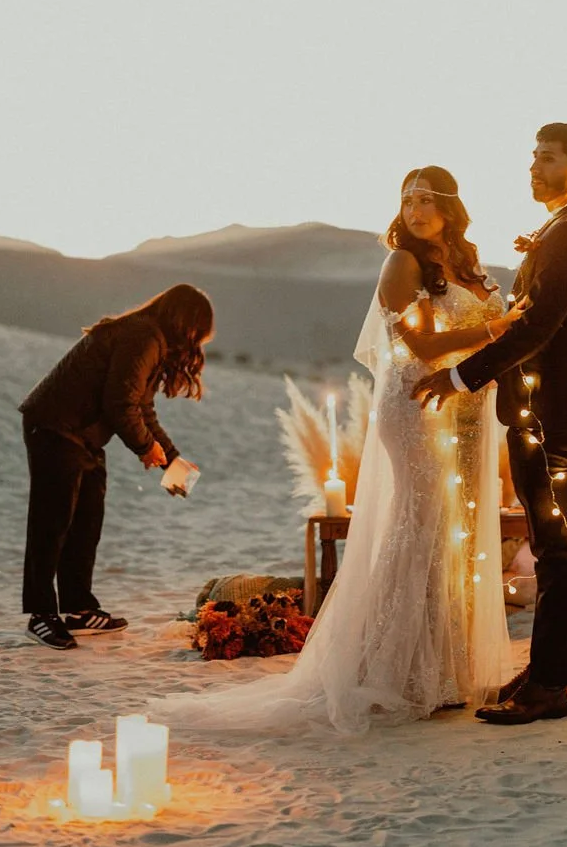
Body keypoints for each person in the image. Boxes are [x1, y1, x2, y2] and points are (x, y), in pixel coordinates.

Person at [161, 167, 517, 736]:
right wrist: (498, 332)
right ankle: (398, 671)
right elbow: (420, 345)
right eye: (407, 200)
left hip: (468, 414)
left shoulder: (470, 268)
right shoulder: (402, 264)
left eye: (427, 199)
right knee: (421, 527)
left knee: (460, 536)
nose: (415, 210)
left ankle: (448, 668)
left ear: (451, 205)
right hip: (418, 408)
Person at [413, 124, 567, 724]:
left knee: (554, 550)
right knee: (554, 547)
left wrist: (459, 377)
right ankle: (547, 672)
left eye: (547, 159)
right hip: (546, 411)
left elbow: (538, 328)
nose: (533, 167)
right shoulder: (564, 230)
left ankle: (550, 686)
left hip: (549, 418)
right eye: (532, 156)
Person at [20, 283, 214, 650]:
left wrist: (171, 460)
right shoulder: (143, 336)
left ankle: (78, 609)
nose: (196, 343)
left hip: (84, 435)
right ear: (184, 322)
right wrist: (145, 448)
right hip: (54, 426)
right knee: (53, 522)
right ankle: (41, 615)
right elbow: (119, 404)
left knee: (87, 519)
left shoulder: (148, 339)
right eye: (197, 333)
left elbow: (142, 408)